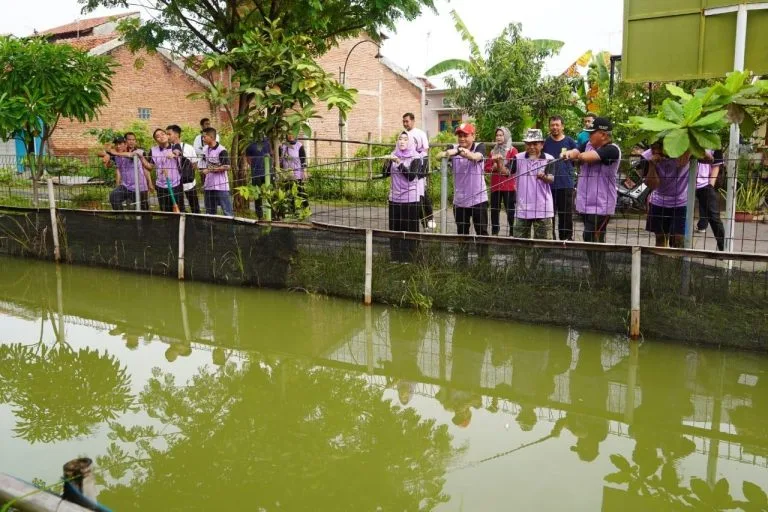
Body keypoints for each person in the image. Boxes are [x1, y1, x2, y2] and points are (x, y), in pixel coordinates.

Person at [564, 116, 621, 280]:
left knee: (590, 236)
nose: (589, 136)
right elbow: (577, 151)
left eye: (592, 132)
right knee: (593, 238)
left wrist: (574, 155)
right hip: (585, 202)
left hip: (601, 204)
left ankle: (600, 273)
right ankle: (599, 273)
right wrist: (571, 152)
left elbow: (586, 157)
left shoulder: (612, 150)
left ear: (603, 134)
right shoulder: (588, 144)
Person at [437, 123, 488, 262]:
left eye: (465, 135)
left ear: (473, 136)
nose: (462, 138)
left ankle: (484, 263)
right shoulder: (452, 147)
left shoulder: (479, 146)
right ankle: (462, 262)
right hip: (460, 200)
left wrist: (459, 152)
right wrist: (449, 153)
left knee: (482, 232)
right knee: (462, 232)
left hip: (478, 199)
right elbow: (438, 156)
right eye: (460, 135)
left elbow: (476, 157)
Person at [641, 142, 691, 248]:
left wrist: (689, 150)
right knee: (660, 238)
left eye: (659, 148)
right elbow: (652, 185)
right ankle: (660, 259)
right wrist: (652, 165)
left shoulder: (682, 150)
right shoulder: (647, 156)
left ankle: (676, 259)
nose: (655, 151)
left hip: (681, 202)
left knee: (678, 239)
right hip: (658, 201)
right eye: (653, 148)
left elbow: (710, 159)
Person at [383, 132, 423, 262]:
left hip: (410, 199)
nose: (402, 141)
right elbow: (384, 174)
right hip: (394, 198)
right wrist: (387, 162)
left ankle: (410, 258)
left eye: (405, 139)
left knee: (410, 230)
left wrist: (399, 162)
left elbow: (411, 176)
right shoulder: (394, 154)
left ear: (410, 142)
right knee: (395, 229)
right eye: (400, 139)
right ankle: (395, 257)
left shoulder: (416, 157)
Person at [511, 129, 555, 240]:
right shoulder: (518, 158)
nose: (531, 147)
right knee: (519, 243)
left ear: (542, 144)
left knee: (543, 244)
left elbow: (551, 178)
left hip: (543, 208)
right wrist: (498, 162)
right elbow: (506, 172)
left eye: (535, 144)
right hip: (522, 208)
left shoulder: (549, 159)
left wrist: (544, 177)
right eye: (528, 144)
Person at [543, 116, 578, 241]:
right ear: (549, 127)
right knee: (549, 214)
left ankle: (566, 240)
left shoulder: (569, 141)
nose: (555, 127)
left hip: (566, 183)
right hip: (548, 185)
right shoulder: (545, 143)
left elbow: (577, 155)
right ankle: (550, 240)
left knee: (566, 215)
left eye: (557, 125)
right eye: (552, 125)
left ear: (562, 126)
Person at [403, 112, 434, 229]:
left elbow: (425, 151)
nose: (405, 124)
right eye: (403, 122)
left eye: (407, 121)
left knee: (422, 194)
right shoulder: (403, 135)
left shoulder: (420, 133)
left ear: (412, 121)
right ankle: (423, 222)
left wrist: (422, 168)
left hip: (419, 166)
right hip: (407, 168)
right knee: (414, 197)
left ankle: (430, 218)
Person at [485, 126, 518, 236]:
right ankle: (495, 231)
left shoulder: (513, 151)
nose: (498, 137)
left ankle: (513, 232)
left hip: (508, 185)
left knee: (510, 209)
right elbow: (487, 167)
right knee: (494, 209)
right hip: (495, 185)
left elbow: (513, 168)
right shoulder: (493, 151)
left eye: (501, 135)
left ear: (506, 136)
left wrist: (498, 165)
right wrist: (493, 167)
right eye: (497, 135)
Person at [105, 135, 151, 210]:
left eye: (120, 144)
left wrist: (115, 153)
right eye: (116, 144)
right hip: (126, 186)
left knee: (144, 209)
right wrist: (107, 154)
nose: (118, 146)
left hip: (139, 187)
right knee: (114, 197)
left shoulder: (136, 151)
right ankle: (120, 216)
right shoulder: (116, 156)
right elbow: (101, 154)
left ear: (126, 144)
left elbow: (131, 155)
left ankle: (145, 218)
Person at [145, 128, 183, 212]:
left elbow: (178, 152)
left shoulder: (175, 146)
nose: (161, 137)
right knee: (165, 210)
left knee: (179, 210)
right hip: (160, 186)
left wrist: (173, 153)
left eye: (163, 134)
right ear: (156, 140)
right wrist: (141, 158)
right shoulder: (153, 150)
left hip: (175, 185)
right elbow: (149, 167)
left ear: (167, 135)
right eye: (158, 136)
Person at [166, 125, 200, 214]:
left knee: (195, 207)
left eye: (169, 134)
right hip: (174, 184)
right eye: (166, 134)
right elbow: (194, 165)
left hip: (189, 183)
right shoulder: (167, 149)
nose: (167, 136)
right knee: (179, 208)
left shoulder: (189, 148)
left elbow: (195, 164)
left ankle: (197, 221)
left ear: (177, 135)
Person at [695, 149, 725, 251]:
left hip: (704, 184)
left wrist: (711, 184)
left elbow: (716, 164)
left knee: (714, 217)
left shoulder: (714, 142)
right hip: (684, 183)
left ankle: (723, 249)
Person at [201, 127, 233, 216]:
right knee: (209, 212)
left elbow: (227, 166)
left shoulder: (222, 150)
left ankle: (230, 226)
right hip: (208, 185)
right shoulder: (205, 149)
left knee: (227, 212)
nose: (203, 139)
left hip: (221, 186)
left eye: (204, 136)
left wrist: (210, 170)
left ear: (211, 137)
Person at [279, 133, 309, 209]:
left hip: (297, 173)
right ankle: (292, 210)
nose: (290, 136)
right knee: (289, 192)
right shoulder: (283, 146)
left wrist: (304, 171)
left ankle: (306, 208)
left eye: (292, 134)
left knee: (300, 191)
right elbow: (280, 160)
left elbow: (303, 159)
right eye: (288, 134)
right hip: (286, 174)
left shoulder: (299, 145)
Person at [245, 135, 273, 219]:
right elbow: (248, 159)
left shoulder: (268, 142)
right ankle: (259, 215)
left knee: (271, 193)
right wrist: (256, 165)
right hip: (256, 173)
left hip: (268, 172)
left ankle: (273, 214)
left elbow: (272, 154)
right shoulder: (250, 145)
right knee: (257, 194)